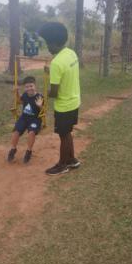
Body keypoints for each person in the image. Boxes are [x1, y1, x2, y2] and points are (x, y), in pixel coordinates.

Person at [39, 22, 81, 176]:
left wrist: (43, 95)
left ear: (54, 43)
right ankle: (71, 160)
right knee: (67, 133)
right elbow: (66, 69)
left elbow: (55, 93)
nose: (47, 47)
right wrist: (51, 70)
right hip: (74, 101)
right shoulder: (71, 53)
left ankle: (62, 164)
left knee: (64, 135)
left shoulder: (56, 63)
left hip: (63, 106)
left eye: (48, 43)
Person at [7, 76, 43, 164]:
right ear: (25, 88)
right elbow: (20, 101)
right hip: (24, 117)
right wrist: (17, 92)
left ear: (35, 86)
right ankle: (13, 149)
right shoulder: (25, 94)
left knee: (31, 133)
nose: (29, 88)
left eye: (31, 86)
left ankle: (29, 151)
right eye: (27, 87)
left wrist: (40, 105)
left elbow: (43, 110)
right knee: (16, 132)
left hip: (35, 119)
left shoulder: (39, 97)